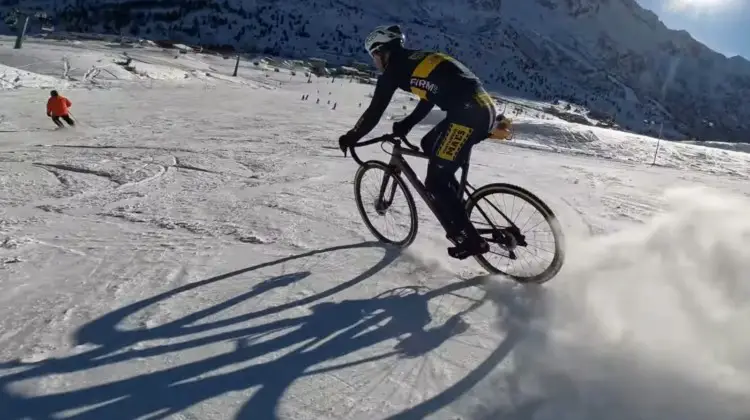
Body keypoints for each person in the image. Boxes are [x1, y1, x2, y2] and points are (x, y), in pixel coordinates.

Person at [338, 24, 510, 260]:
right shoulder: (417, 60)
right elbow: (428, 97)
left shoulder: (394, 71)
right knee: (430, 144)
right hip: (481, 108)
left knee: (435, 182)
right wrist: (407, 124)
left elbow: (374, 111)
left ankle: (472, 240)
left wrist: (352, 136)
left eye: (373, 56)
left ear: (381, 51)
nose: (374, 62)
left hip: (466, 115)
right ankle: (453, 199)